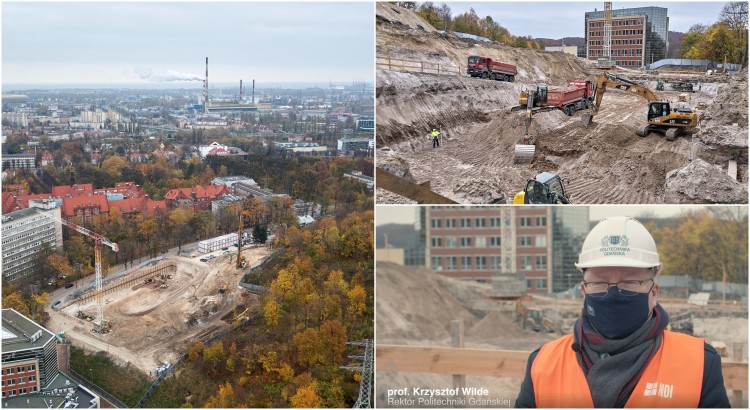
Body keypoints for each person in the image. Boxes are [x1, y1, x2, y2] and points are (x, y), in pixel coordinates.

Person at [515, 216, 730, 408]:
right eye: (599, 282)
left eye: (629, 281)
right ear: (583, 291)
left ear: (654, 292)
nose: (614, 294)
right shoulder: (542, 364)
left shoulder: (700, 364)